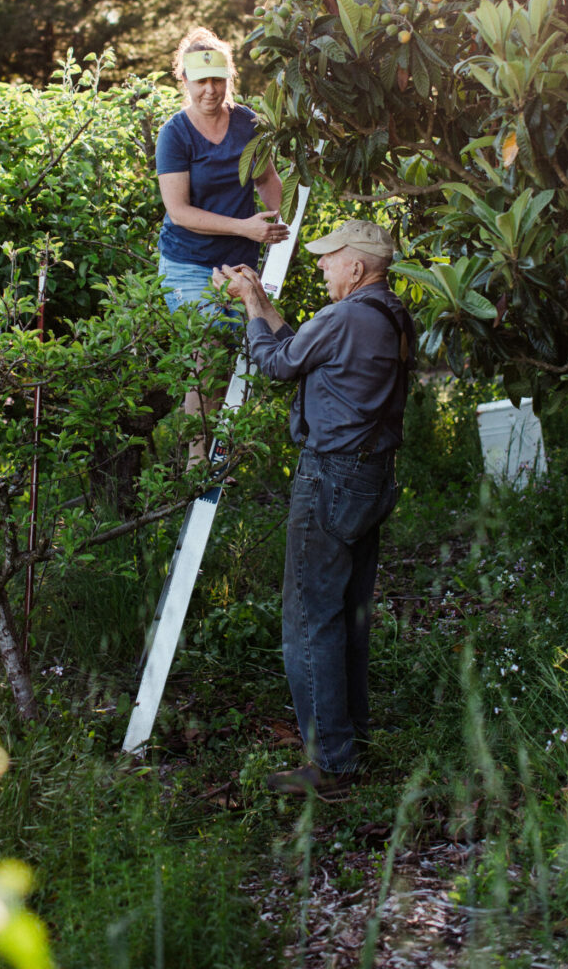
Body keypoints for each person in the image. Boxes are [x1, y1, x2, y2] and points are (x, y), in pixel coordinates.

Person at [213, 220, 415, 797]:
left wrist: (250, 302)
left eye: (330, 258)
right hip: (370, 477)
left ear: (357, 267)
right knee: (348, 614)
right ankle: (351, 743)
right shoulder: (389, 315)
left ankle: (330, 765)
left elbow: (276, 364)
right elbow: (304, 351)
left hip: (331, 476)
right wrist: (265, 304)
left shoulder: (348, 316)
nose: (321, 265)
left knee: (310, 620)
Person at [156, 28, 288, 464]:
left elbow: (267, 180)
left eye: (219, 80)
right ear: (185, 81)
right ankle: (197, 462)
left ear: (229, 78)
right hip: (189, 262)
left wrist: (279, 229)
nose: (210, 90)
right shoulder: (175, 135)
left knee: (241, 353)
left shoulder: (248, 122)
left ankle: (225, 454)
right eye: (201, 82)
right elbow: (180, 212)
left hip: (239, 262)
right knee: (207, 351)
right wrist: (246, 229)